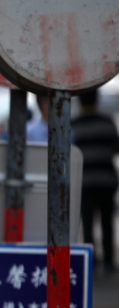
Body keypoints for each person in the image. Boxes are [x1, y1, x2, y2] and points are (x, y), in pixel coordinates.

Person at [73, 90, 119, 273]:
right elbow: (116, 147)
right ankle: (108, 260)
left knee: (88, 222)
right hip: (106, 181)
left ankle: (91, 261)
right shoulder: (106, 123)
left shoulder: (74, 124)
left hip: (85, 182)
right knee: (107, 221)